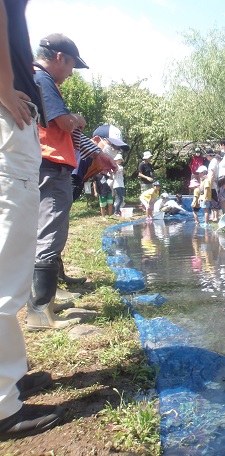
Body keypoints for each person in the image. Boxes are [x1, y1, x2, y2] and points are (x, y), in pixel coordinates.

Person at [0, 0, 66, 439]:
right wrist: (5, 86)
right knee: (6, 268)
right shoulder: (41, 79)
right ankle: (4, 402)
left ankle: (11, 379)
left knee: (12, 265)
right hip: (7, 124)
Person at [30, 33, 116, 331]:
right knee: (49, 235)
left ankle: (47, 302)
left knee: (49, 233)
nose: (70, 72)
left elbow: (72, 135)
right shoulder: (42, 79)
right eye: (70, 66)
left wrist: (100, 155)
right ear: (59, 58)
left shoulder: (43, 81)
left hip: (52, 167)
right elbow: (66, 124)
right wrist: (77, 117)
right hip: (50, 168)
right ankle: (40, 312)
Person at [205, 148, 220, 221]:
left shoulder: (213, 162)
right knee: (212, 200)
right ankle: (213, 216)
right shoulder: (213, 161)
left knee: (214, 200)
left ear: (209, 155)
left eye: (206, 155)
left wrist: (209, 184)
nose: (206, 157)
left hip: (213, 184)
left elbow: (213, 174)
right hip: (212, 183)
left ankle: (216, 217)